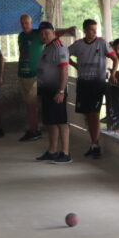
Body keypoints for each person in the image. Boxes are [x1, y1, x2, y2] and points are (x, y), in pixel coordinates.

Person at [17, 14, 76, 142]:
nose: (24, 25)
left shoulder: (40, 36)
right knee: (31, 106)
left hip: (37, 77)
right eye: (22, 23)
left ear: (32, 23)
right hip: (25, 75)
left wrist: (66, 30)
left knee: (37, 108)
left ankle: (35, 131)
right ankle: (46, 142)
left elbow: (53, 33)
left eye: (26, 22)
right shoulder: (22, 36)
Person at [69, 19, 119, 159]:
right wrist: (75, 65)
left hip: (97, 83)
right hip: (83, 83)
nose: (94, 32)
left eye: (95, 29)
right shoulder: (78, 45)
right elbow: (64, 54)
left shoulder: (102, 43)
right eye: (91, 29)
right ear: (85, 30)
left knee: (94, 113)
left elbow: (115, 59)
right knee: (87, 114)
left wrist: (113, 74)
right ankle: (93, 143)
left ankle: (96, 144)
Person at [34, 22, 72, 164]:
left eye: (47, 33)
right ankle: (52, 151)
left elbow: (64, 70)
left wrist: (61, 91)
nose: (44, 36)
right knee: (51, 122)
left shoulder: (59, 48)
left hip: (57, 90)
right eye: (42, 34)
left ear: (54, 33)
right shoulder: (47, 48)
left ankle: (66, 153)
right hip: (46, 90)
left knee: (61, 122)